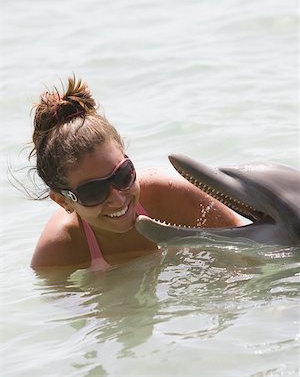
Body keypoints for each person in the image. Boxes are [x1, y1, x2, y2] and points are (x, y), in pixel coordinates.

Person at [30, 76, 241, 272]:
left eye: (122, 175)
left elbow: (248, 244)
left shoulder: (170, 195)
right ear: (63, 201)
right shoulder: (59, 250)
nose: (118, 198)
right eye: (93, 191)